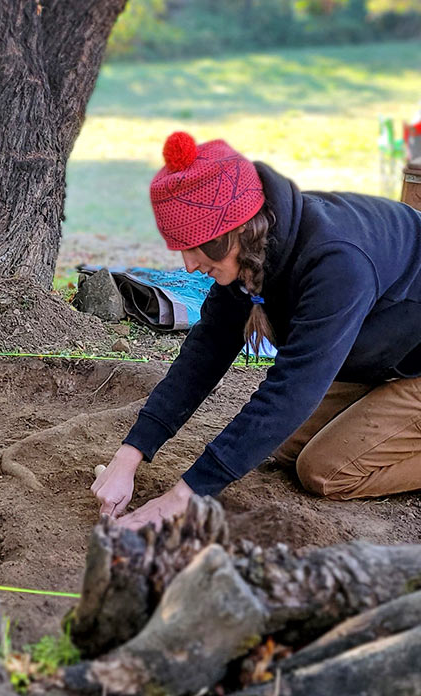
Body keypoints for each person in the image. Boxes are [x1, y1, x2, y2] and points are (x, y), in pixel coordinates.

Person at [92, 131, 421, 529]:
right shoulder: (257, 248)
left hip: (411, 359)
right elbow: (206, 350)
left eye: (197, 246)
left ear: (236, 231)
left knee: (323, 471)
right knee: (284, 446)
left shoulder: (337, 262)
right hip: (389, 351)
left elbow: (292, 390)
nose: (189, 265)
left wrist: (183, 497)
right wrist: (129, 456)